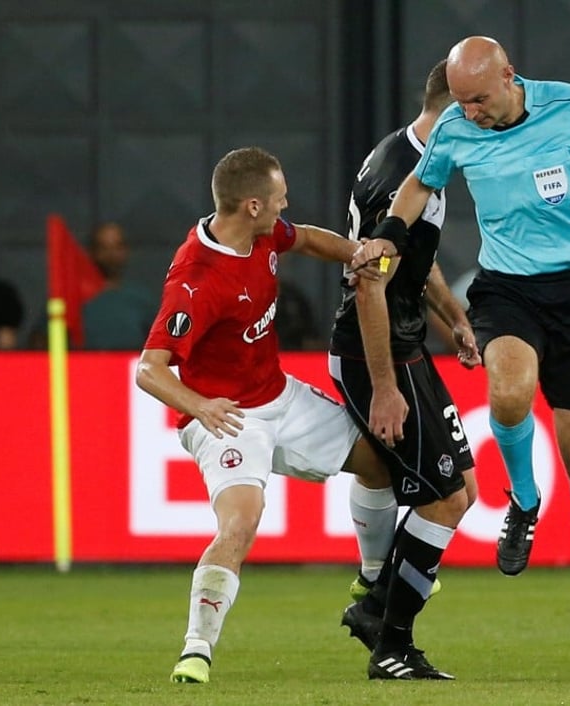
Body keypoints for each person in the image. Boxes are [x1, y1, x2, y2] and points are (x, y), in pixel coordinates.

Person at [351, 36, 570, 652]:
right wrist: (391, 231)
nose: (470, 113)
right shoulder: (455, 125)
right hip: (506, 291)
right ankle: (524, 502)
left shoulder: (569, 108)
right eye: (462, 103)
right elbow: (420, 184)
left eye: (478, 100)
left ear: (509, 76)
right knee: (509, 393)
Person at [135, 147, 394, 685]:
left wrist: (360, 254)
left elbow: (309, 238)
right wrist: (201, 407)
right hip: (230, 417)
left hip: (279, 396)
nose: (286, 205)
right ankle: (196, 650)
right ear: (252, 204)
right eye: (279, 198)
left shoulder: (261, 233)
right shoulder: (197, 281)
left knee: (380, 463)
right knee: (240, 524)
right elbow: (149, 370)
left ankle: (374, 581)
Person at [330, 59, 479, 681]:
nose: (488, 124)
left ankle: (376, 608)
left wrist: (454, 318)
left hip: (406, 342)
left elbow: (415, 260)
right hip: (377, 353)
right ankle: (390, 640)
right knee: (445, 500)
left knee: (462, 491)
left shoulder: (421, 159)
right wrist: (386, 388)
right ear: (459, 107)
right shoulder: (396, 175)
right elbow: (369, 283)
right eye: (480, 111)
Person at [81, 222, 157, 350]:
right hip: (81, 369)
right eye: (103, 248)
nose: (111, 255)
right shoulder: (71, 297)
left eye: (117, 247)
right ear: (91, 252)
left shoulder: (142, 299)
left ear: (126, 251)